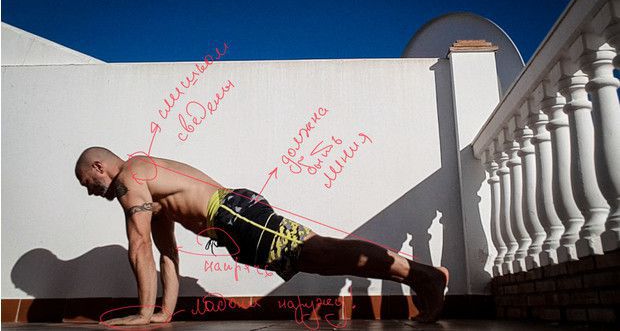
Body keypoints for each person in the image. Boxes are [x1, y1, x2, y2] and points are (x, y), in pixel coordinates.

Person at [75, 146, 449, 326]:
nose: (90, 191)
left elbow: (137, 246)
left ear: (99, 166)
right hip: (236, 217)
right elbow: (167, 254)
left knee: (320, 253)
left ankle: (422, 276)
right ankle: (421, 276)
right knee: (319, 260)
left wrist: (141, 315)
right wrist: (161, 313)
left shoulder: (130, 179)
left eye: (88, 182)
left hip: (234, 216)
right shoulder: (150, 191)